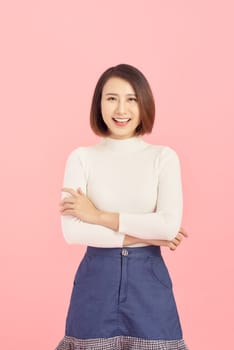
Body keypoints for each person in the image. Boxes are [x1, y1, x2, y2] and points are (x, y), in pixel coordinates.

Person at [55, 63, 189, 350]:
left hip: (149, 285)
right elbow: (72, 232)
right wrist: (147, 236)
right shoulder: (81, 158)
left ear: (144, 104)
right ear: (99, 103)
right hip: (95, 283)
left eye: (131, 99)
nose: (121, 110)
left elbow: (168, 225)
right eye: (111, 98)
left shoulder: (163, 158)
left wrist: (97, 215)